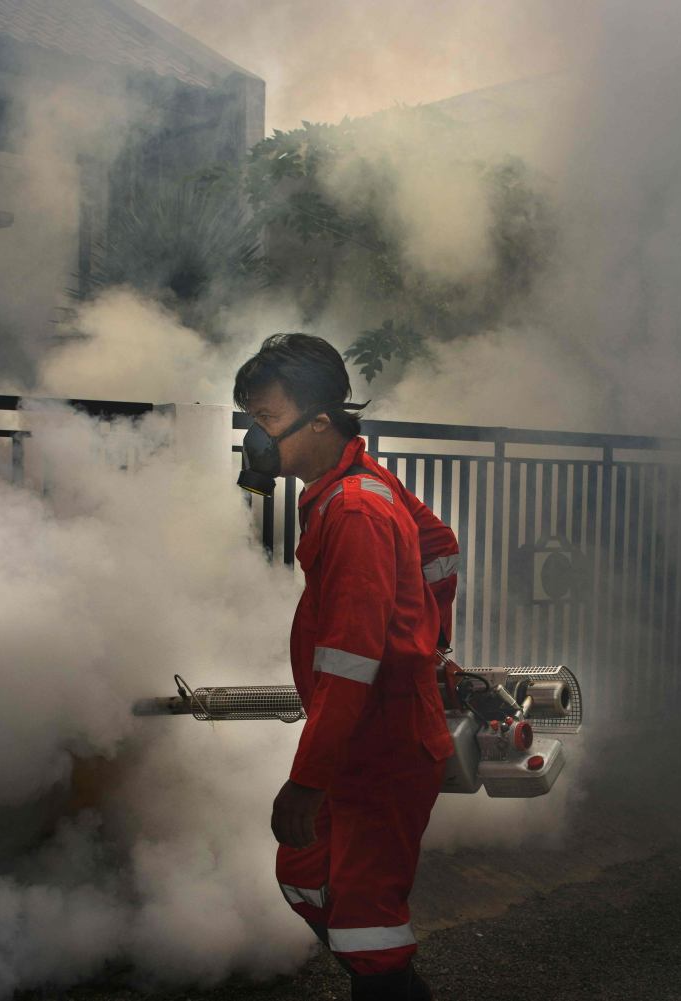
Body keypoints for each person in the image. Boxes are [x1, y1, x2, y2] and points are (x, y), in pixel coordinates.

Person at [233, 333, 461, 1001]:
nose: (257, 437)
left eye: (267, 419)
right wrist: (430, 634)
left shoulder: (356, 509)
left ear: (320, 420)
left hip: (380, 744)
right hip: (359, 739)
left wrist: (305, 782)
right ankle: (382, 978)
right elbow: (439, 546)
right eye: (253, 421)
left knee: (368, 930)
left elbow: (351, 664)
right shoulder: (349, 487)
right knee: (304, 871)